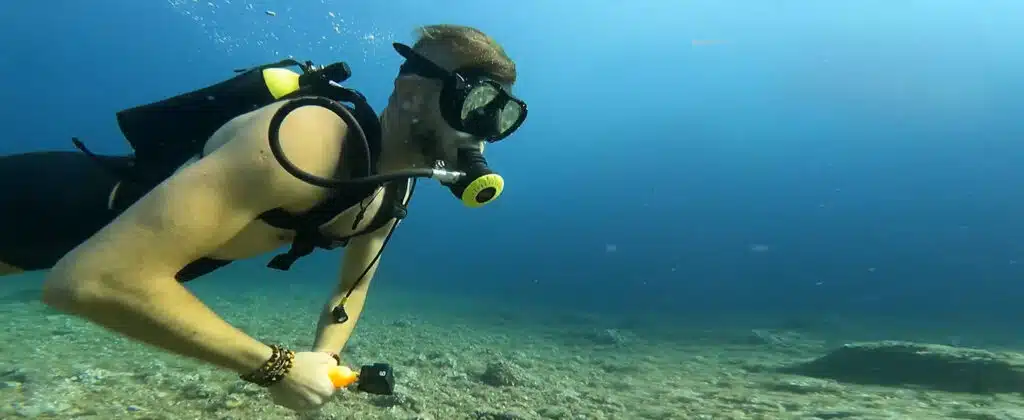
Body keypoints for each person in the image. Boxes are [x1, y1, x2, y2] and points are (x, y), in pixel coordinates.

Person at [0, 24, 526, 411]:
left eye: (500, 115)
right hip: (41, 203)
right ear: (411, 94)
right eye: (473, 105)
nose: (482, 134)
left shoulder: (394, 188)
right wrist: (277, 368)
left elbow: (351, 289)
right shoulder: (307, 141)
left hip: (61, 246)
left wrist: (324, 360)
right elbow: (91, 280)